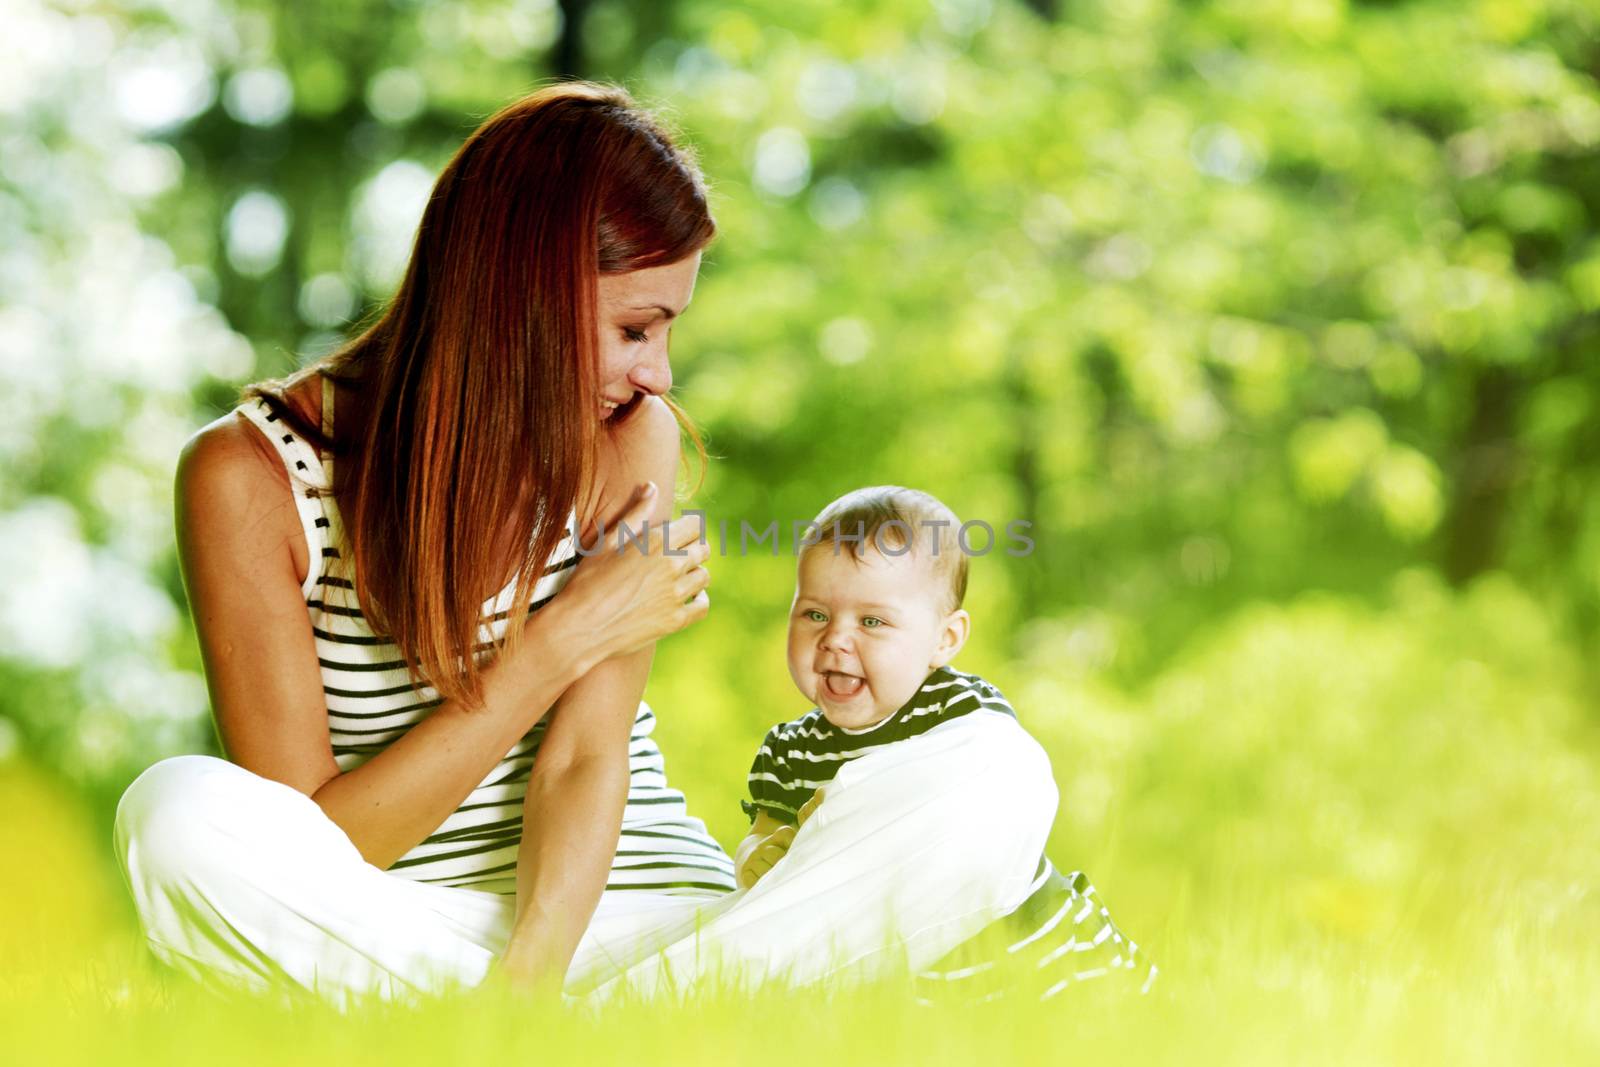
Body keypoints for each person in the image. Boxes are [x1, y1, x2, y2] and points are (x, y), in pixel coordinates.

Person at [110, 82, 1066, 1007]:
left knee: (996, 772)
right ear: (520, 293)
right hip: (403, 925)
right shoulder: (252, 478)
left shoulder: (624, 433)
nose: (659, 372)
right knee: (175, 817)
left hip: (653, 931)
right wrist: (561, 637)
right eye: (635, 328)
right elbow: (317, 846)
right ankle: (653, 1030)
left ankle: (603, 1024)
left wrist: (530, 988)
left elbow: (581, 761)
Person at [735, 486, 1157, 1002]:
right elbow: (764, 832)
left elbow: (986, 793)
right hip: (916, 979)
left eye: (872, 621)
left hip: (1039, 953)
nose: (836, 639)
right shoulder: (789, 750)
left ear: (945, 640)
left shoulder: (960, 712)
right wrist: (756, 857)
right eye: (815, 614)